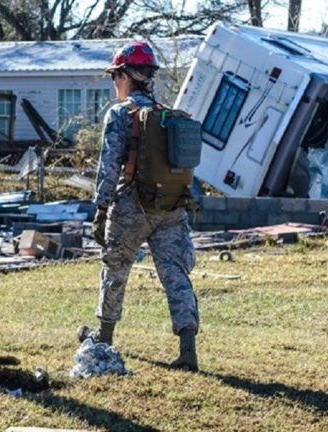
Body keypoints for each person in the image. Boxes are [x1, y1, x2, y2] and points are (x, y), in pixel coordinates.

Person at [77, 41, 200, 371]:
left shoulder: (119, 114)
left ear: (124, 75)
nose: (113, 84)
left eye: (114, 76)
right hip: (172, 207)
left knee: (115, 270)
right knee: (176, 276)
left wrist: (101, 210)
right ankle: (188, 350)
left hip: (132, 206)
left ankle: (104, 337)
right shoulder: (165, 115)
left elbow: (109, 167)